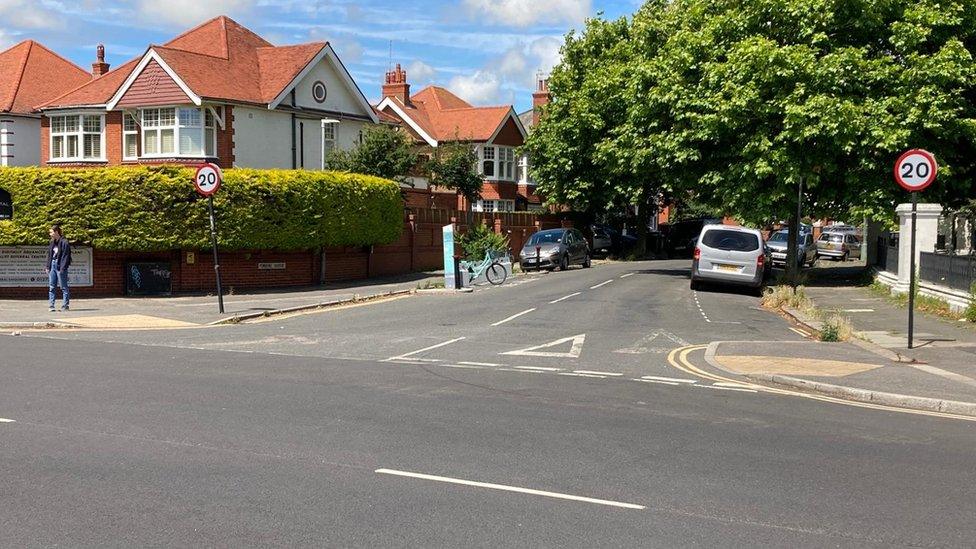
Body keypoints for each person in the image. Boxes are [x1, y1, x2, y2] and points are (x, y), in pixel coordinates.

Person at [45, 224, 71, 312]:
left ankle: (65, 305)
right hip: (53, 264)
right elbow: (49, 255)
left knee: (63, 286)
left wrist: (62, 268)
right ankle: (51, 305)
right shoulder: (52, 242)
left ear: (56, 232)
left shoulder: (64, 242)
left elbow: (66, 256)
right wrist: (48, 266)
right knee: (52, 286)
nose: (50, 234)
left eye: (51, 232)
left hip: (60, 266)